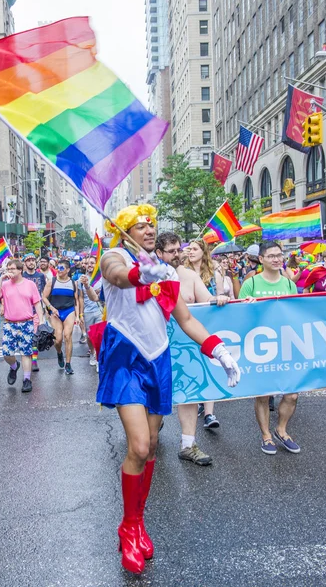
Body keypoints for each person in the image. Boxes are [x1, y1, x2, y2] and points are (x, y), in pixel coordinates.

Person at [96, 205, 240, 574]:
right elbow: (117, 275)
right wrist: (139, 272)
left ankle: (139, 521)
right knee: (139, 445)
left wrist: (218, 350)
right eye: (140, 225)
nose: (147, 230)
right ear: (126, 230)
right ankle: (128, 529)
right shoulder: (115, 255)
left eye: (151, 225)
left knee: (155, 445)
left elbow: (186, 318)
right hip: (125, 357)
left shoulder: (168, 271)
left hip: (158, 360)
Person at [156, 232, 229, 465]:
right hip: (156, 347)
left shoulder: (188, 275)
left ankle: (188, 445)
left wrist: (220, 299)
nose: (179, 254)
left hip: (186, 347)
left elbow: (207, 300)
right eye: (172, 251)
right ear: (158, 253)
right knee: (155, 395)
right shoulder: (149, 276)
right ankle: (150, 430)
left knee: (189, 393)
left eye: (180, 249)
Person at [239, 241, 300, 455]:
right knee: (263, 395)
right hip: (261, 346)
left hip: (286, 344)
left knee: (292, 394)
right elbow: (238, 315)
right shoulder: (251, 282)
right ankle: (266, 435)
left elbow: (297, 312)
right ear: (261, 259)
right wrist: (249, 306)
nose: (276, 259)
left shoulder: (289, 284)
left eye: (279, 255)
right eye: (271, 255)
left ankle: (281, 430)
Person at [182, 240, 224, 429]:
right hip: (185, 326)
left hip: (208, 325)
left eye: (195, 248)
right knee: (190, 366)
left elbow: (219, 296)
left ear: (203, 251)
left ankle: (209, 413)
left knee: (208, 365)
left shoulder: (214, 273)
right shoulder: (180, 273)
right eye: (188, 249)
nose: (191, 251)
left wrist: (221, 298)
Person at [0, 259, 44, 393]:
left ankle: (27, 379)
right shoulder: (4, 284)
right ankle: (14, 366)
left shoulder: (30, 284)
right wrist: (1, 278)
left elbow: (37, 303)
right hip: (10, 323)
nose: (10, 271)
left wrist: (41, 320)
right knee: (6, 353)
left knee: (26, 353)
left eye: (13, 269)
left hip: (27, 322)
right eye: (8, 269)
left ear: (20, 270)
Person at [42, 259, 79, 374]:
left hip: (69, 311)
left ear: (68, 270)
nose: (58, 269)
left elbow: (76, 300)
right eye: (58, 267)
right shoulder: (51, 281)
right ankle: (59, 353)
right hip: (55, 313)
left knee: (68, 336)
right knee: (58, 340)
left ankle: (68, 364)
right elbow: (43, 297)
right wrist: (51, 308)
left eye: (62, 268)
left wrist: (78, 316)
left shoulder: (73, 283)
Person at [23, 253, 47, 372]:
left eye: (33, 260)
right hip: (23, 312)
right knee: (26, 338)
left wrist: (47, 309)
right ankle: (27, 358)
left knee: (35, 338)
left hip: (37, 311)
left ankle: (34, 361)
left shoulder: (41, 276)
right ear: (25, 263)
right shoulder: (21, 276)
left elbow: (44, 293)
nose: (31, 262)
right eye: (28, 261)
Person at [78, 256, 102, 369]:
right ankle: (92, 353)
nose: (90, 265)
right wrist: (81, 314)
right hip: (87, 311)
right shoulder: (81, 279)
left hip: (100, 310)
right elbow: (81, 298)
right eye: (88, 263)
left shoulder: (101, 278)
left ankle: (98, 358)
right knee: (89, 336)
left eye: (92, 263)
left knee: (99, 335)